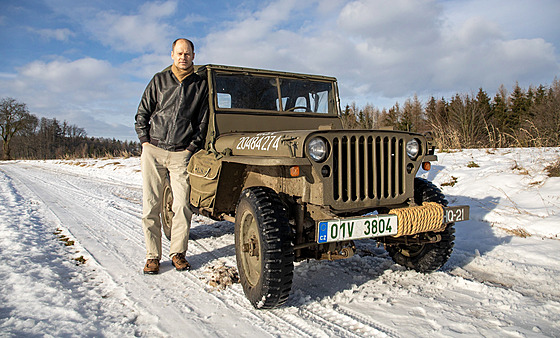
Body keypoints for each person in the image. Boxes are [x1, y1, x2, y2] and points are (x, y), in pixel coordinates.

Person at [135, 38, 209, 274]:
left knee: (182, 205)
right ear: (172, 55)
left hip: (180, 154)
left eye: (187, 53)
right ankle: (152, 256)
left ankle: (177, 253)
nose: (183, 57)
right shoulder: (159, 80)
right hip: (154, 150)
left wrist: (191, 147)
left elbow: (203, 121)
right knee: (151, 206)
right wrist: (145, 141)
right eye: (179, 53)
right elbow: (142, 112)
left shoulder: (200, 85)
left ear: (193, 56)